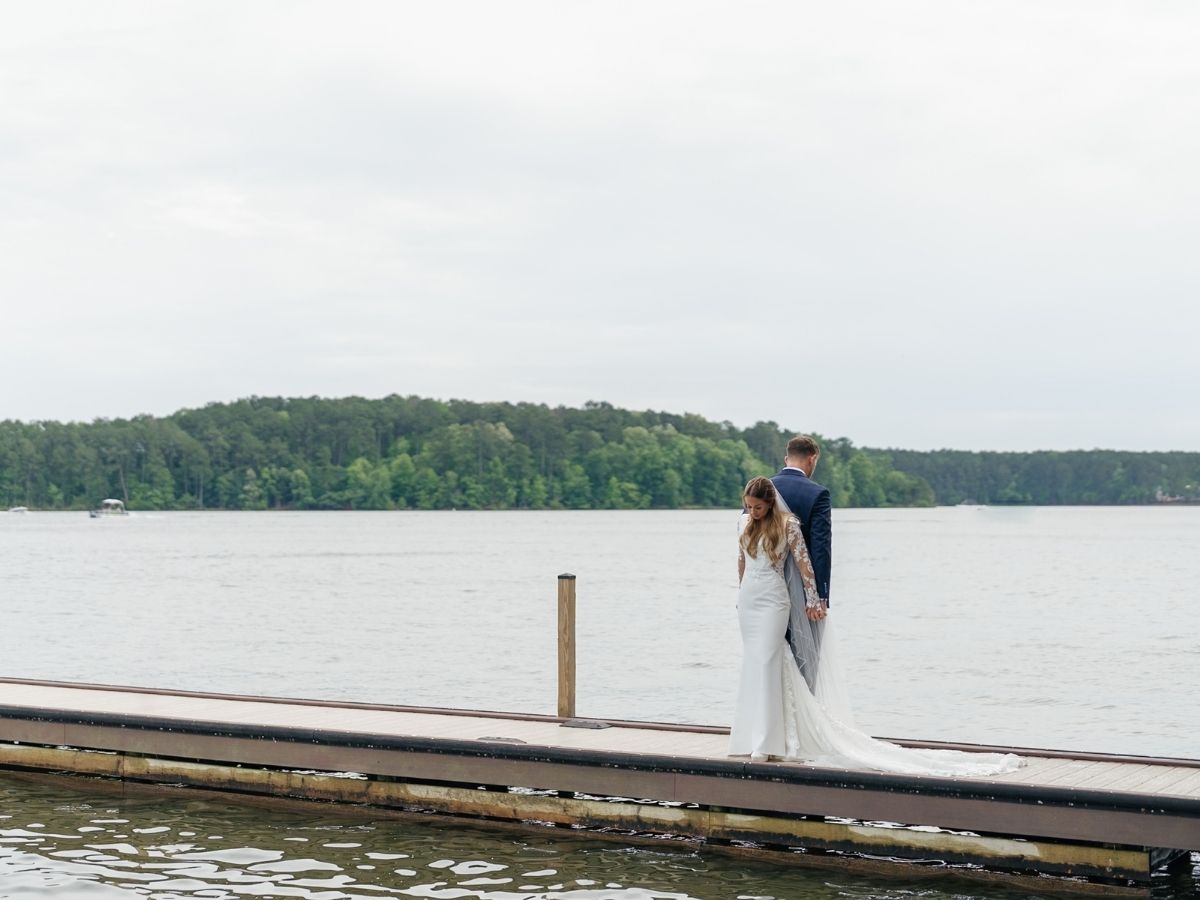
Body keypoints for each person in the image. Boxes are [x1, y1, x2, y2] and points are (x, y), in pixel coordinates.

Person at [729, 476, 1021, 776]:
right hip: (750, 601)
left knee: (767, 661)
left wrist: (814, 599)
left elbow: (805, 566)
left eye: (758, 507)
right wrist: (740, 594)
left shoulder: (788, 524)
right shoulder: (743, 524)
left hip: (774, 600)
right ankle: (752, 733)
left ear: (769, 502)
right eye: (749, 507)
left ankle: (767, 742)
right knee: (756, 663)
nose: (753, 512)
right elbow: (741, 561)